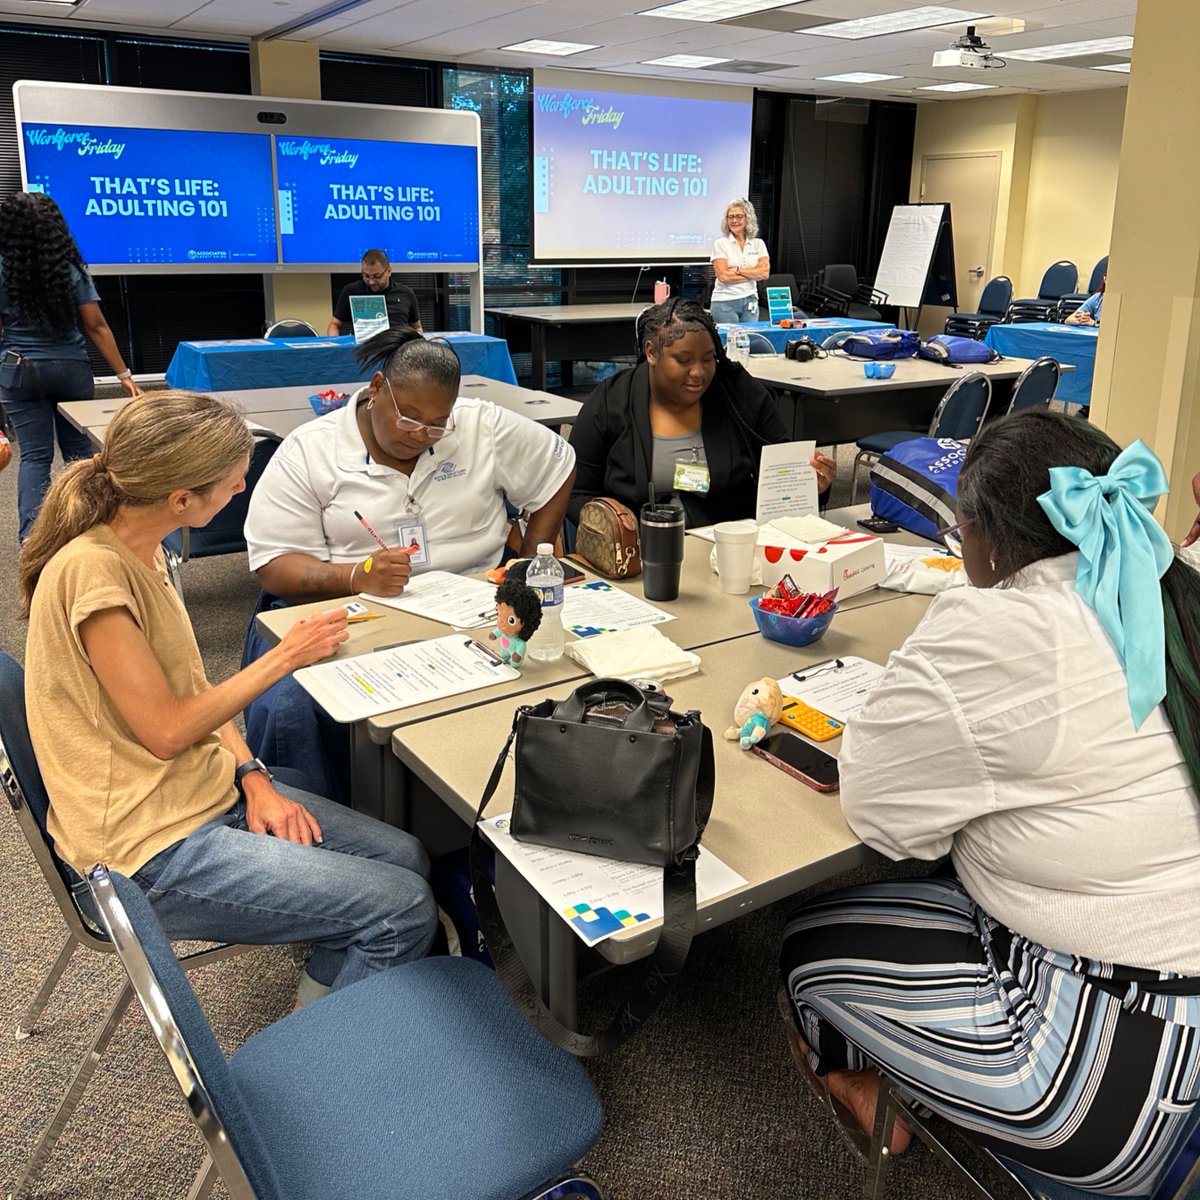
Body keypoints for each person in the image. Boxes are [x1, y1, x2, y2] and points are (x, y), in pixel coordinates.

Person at [780, 410, 1200, 1192]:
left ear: (982, 536)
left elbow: (878, 814)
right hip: (1169, 972)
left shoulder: (997, 627)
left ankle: (876, 1101)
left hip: (1113, 1078)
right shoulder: (1173, 586)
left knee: (804, 942)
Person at [19, 392, 438, 1006]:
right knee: (402, 910)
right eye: (235, 477)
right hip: (145, 850)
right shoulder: (94, 572)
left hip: (198, 794)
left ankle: (337, 957)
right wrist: (283, 658)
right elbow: (167, 730)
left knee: (408, 856)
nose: (244, 483)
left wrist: (252, 776)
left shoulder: (146, 548)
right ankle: (318, 1066)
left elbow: (195, 692)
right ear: (182, 499)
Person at [242, 325, 575, 799]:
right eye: (408, 418)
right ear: (377, 389)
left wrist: (524, 564)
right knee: (293, 704)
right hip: (354, 612)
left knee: (551, 668)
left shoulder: (483, 427)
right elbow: (273, 566)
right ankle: (326, 821)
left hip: (473, 605)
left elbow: (557, 465)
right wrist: (356, 576)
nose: (421, 435)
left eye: (436, 424)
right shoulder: (310, 450)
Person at [568, 298, 834, 529]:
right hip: (638, 553)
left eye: (708, 359)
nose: (698, 373)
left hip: (729, 545)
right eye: (683, 361)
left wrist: (814, 483)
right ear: (651, 352)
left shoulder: (738, 392)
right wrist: (615, 525)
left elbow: (783, 477)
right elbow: (575, 494)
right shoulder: (611, 401)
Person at [0, 192, 142, 541]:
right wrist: (125, 376)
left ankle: (33, 542)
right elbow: (96, 326)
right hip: (70, 368)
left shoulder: (2, 267)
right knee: (80, 457)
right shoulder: (69, 268)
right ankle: (91, 532)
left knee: (33, 458)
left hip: (18, 368)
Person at [327, 249, 422, 336]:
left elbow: (417, 327)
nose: (371, 282)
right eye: (366, 276)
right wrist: (336, 347)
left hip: (397, 349)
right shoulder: (351, 291)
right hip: (362, 350)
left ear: (389, 271)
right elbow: (334, 325)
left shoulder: (406, 293)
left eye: (377, 277)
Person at [709, 198, 770, 325]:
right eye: (730, 217)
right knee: (728, 343)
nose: (734, 220)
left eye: (738, 216)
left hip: (750, 301)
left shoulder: (758, 244)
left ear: (748, 219)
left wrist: (737, 270)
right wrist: (753, 273)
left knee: (749, 341)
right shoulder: (721, 244)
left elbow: (764, 274)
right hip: (724, 303)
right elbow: (724, 276)